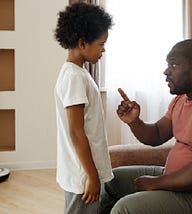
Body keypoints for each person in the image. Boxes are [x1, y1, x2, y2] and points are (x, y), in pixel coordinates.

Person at [100, 39, 192, 214]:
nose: (166, 71)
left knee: (125, 209)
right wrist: (134, 121)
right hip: (175, 180)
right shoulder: (181, 99)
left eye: (174, 65)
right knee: (109, 181)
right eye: (168, 65)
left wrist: (155, 183)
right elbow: (157, 135)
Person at [54, 3, 114, 213]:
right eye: (101, 44)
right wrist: (91, 175)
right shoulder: (74, 77)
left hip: (83, 169)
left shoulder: (79, 73)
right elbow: (76, 132)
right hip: (82, 174)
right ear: (82, 43)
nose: (104, 50)